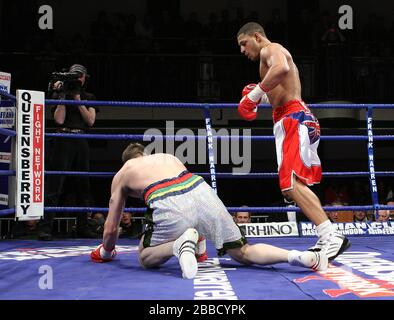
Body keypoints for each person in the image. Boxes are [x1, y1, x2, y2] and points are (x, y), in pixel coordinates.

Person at [90, 143, 328, 279]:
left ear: (126, 161)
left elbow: (111, 228)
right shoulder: (167, 157)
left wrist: (106, 252)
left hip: (168, 200)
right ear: (146, 154)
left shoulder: (123, 173)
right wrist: (200, 247)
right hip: (200, 189)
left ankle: (178, 246)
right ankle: (297, 257)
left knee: (144, 255)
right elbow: (191, 206)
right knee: (243, 251)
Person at [236, 22, 350, 261]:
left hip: (293, 118)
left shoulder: (271, 49)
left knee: (289, 184)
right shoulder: (265, 61)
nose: (242, 50)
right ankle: (326, 235)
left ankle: (331, 235)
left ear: (257, 36)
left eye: (243, 43)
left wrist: (255, 94)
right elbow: (281, 90)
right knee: (292, 185)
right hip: (289, 118)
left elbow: (282, 68)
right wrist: (261, 98)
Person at [39, 64, 99, 240]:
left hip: (80, 140)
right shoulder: (59, 94)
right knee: (54, 185)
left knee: (83, 185)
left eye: (79, 75)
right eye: (74, 75)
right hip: (62, 139)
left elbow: (90, 121)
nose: (77, 78)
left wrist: (77, 99)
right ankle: (45, 228)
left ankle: (82, 226)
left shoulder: (89, 97)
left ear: (84, 78)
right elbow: (59, 120)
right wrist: (65, 96)